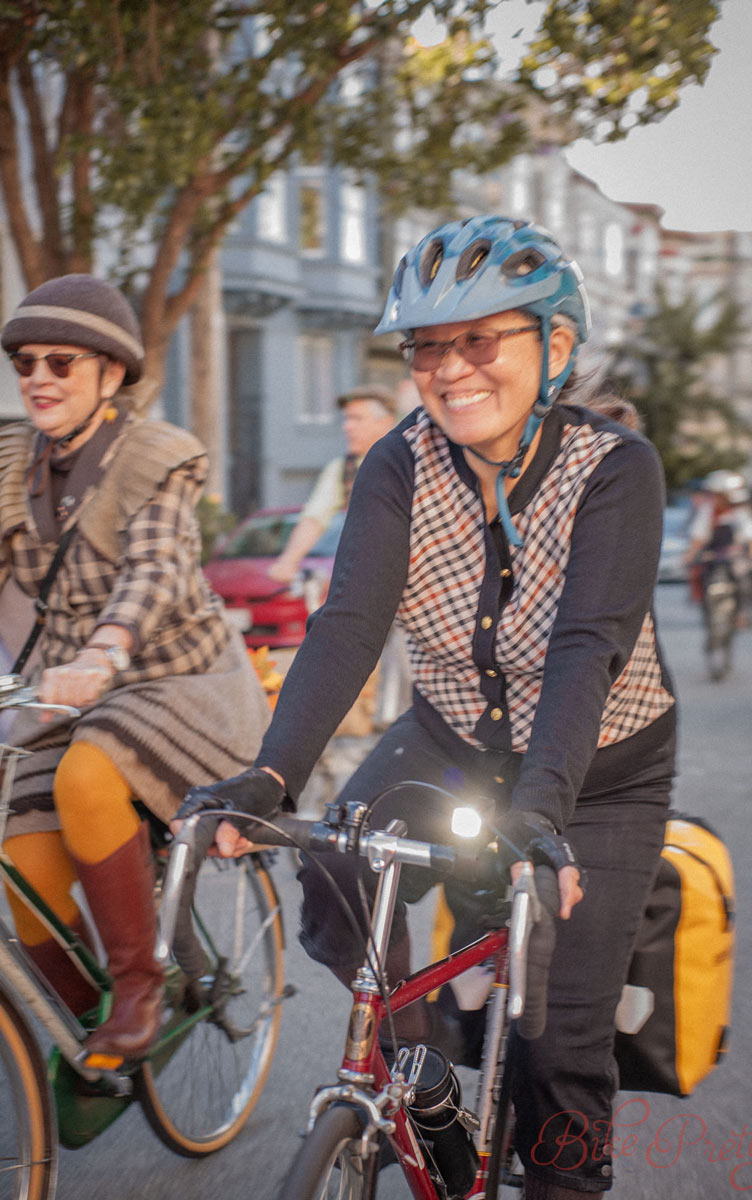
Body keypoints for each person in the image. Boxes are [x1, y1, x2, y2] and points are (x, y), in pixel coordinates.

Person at [177, 216, 677, 1198]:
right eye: (425, 347)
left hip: (599, 777)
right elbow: (350, 621)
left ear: (555, 346)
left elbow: (586, 649)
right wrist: (269, 775)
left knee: (557, 1051)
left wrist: (540, 812)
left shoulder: (614, 469)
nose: (448, 369)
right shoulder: (397, 464)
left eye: (478, 339)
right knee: (328, 867)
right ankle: (422, 1065)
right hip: (446, 740)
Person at [0, 274, 270, 1065]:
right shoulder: (12, 457)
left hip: (177, 679)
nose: (38, 379)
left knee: (87, 776)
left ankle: (138, 986)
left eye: (62, 364)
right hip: (68, 690)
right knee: (22, 856)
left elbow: (151, 572)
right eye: (26, 363)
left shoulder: (157, 456)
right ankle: (86, 1019)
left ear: (110, 374)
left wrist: (103, 651)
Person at [267, 384, 398, 583]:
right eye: (346, 419)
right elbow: (314, 518)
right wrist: (288, 561)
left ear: (385, 423)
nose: (347, 426)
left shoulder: (408, 459)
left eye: (357, 419)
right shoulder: (342, 469)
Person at [685, 470, 752, 613]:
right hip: (714, 556)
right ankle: (704, 605)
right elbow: (698, 537)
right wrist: (691, 556)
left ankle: (743, 611)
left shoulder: (741, 512)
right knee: (698, 575)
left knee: (747, 578)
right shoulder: (708, 511)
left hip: (737, 556)